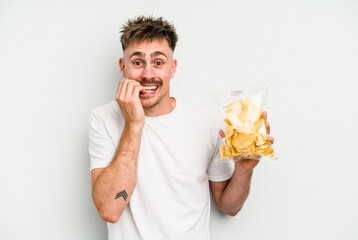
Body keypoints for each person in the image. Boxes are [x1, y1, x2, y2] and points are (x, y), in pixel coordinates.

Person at [89, 16, 274, 240]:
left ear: (173, 68)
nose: (148, 74)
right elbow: (110, 209)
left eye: (158, 62)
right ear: (123, 67)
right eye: (138, 62)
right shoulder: (103, 119)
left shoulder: (206, 122)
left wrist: (244, 170)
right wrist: (134, 124)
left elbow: (229, 207)